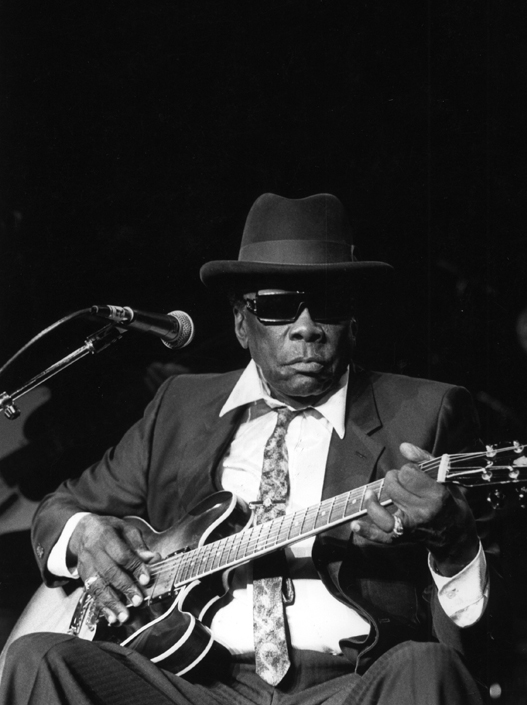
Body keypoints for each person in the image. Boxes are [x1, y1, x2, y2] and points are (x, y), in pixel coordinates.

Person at [0, 193, 500, 705]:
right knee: (37, 658)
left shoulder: (426, 411)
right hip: (191, 685)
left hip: (351, 683)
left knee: (427, 666)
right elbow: (61, 508)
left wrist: (454, 544)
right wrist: (83, 535)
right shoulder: (180, 406)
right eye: (279, 307)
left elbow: (484, 626)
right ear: (242, 323)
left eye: (328, 305)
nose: (305, 328)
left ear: (352, 322)